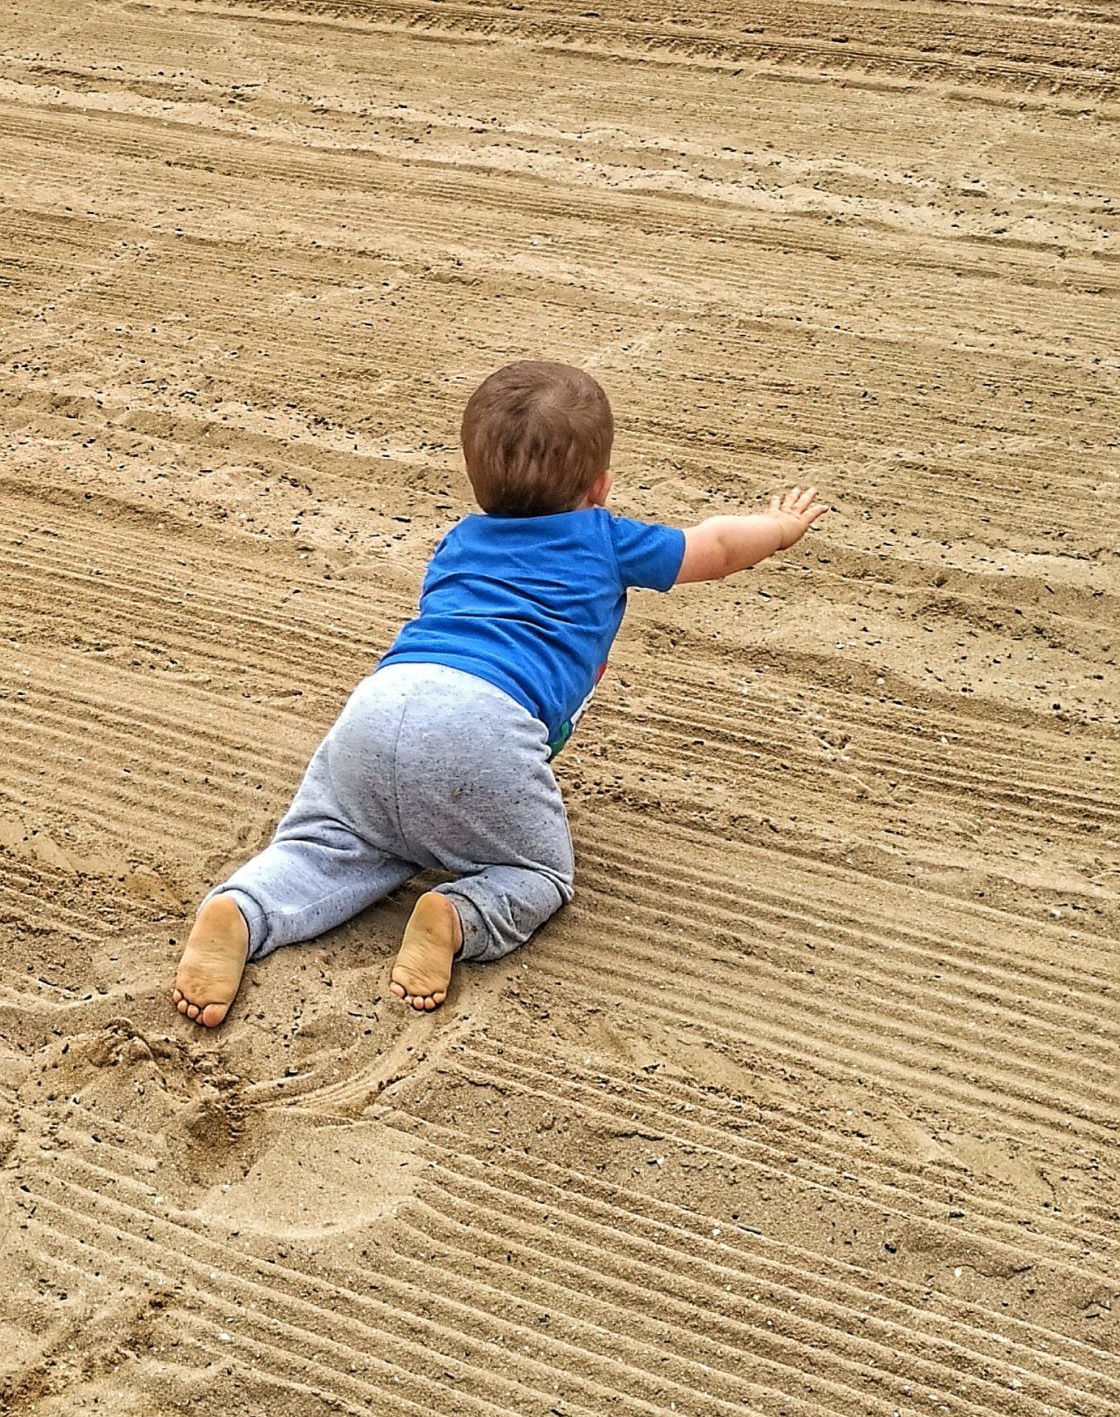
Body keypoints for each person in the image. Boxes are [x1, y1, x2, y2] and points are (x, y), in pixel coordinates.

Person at [171, 359, 832, 1026]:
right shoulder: (604, 538)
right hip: (483, 726)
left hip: (381, 702)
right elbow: (713, 547)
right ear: (599, 486)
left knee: (328, 842)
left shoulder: (459, 540)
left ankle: (244, 908)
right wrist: (776, 528)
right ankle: (456, 913)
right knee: (540, 875)